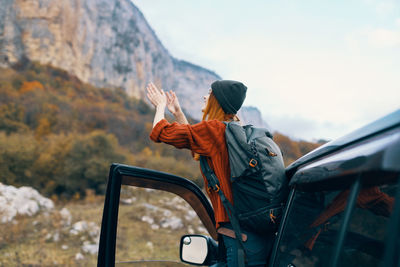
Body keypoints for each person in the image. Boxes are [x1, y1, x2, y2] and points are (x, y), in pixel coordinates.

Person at [146, 80, 274, 266]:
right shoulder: (232, 130)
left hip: (237, 238)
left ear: (218, 101)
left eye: (210, 93)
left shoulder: (214, 129)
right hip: (253, 235)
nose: (205, 96)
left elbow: (161, 132)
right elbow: (199, 150)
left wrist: (160, 106)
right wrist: (179, 114)